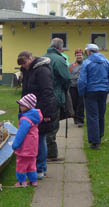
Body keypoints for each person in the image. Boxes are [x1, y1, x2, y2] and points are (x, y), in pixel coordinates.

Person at [17, 51, 57, 179]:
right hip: (30, 110)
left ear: (31, 58)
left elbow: (48, 93)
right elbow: (25, 91)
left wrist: (46, 113)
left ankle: (40, 169)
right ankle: (37, 168)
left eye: (25, 63)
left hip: (40, 110)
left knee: (39, 139)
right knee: (34, 139)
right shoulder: (28, 70)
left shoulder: (42, 71)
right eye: (21, 64)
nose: (23, 66)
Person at [78, 43, 109, 150]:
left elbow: (82, 80)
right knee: (101, 114)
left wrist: (81, 92)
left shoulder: (87, 63)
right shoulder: (107, 61)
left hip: (91, 92)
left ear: (89, 52)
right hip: (103, 91)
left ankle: (95, 142)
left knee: (92, 116)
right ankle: (99, 136)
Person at [42, 38, 71, 162]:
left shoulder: (43, 57)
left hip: (43, 96)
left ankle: (44, 151)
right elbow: (67, 78)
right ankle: (51, 154)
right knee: (52, 126)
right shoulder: (59, 60)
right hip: (55, 96)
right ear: (61, 48)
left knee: (44, 124)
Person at [11, 93, 41, 188]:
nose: (20, 106)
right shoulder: (34, 117)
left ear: (28, 106)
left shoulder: (25, 119)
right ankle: (33, 181)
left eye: (22, 105)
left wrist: (15, 145)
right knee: (32, 164)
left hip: (25, 147)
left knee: (21, 164)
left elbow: (21, 134)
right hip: (33, 147)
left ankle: (21, 182)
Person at [69, 49, 86, 128]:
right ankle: (75, 118)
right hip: (73, 87)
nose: (79, 56)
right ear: (75, 56)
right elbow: (68, 75)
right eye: (77, 55)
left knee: (81, 104)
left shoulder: (86, 64)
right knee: (74, 103)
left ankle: (80, 120)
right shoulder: (72, 66)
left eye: (80, 55)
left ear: (82, 56)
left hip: (82, 87)